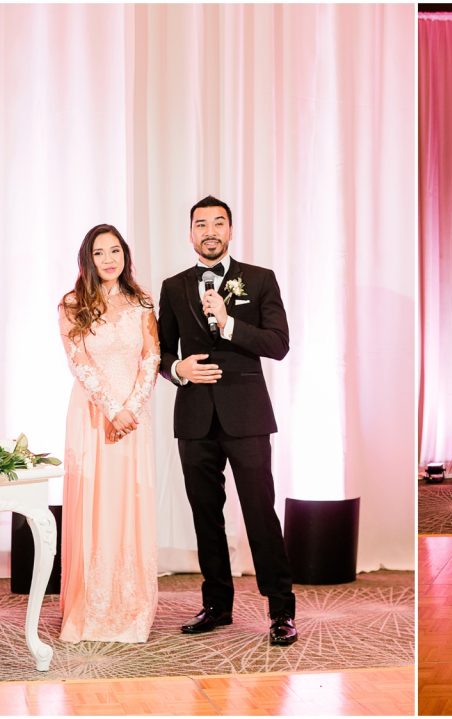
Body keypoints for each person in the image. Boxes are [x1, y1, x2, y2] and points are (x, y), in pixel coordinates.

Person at [158, 195, 297, 645]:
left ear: (231, 231)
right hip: (195, 418)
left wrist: (230, 324)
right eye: (201, 224)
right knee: (205, 515)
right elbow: (160, 352)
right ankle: (217, 606)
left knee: (260, 513)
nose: (210, 231)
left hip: (247, 415)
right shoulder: (174, 286)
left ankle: (281, 612)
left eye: (219, 223)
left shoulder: (259, 280)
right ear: (190, 233)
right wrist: (178, 370)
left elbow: (278, 343)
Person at [58, 224, 160, 642]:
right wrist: (112, 410)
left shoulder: (141, 303)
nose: (108, 259)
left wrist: (131, 410)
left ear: (125, 255)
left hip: (132, 421)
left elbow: (151, 359)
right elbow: (78, 362)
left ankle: (129, 601)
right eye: (99, 252)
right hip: (92, 416)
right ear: (88, 258)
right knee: (94, 502)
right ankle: (91, 602)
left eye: (114, 250)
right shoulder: (71, 305)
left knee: (129, 502)